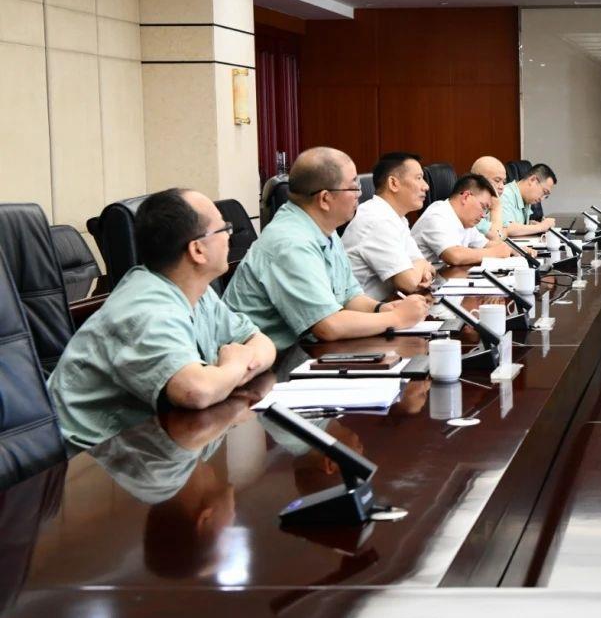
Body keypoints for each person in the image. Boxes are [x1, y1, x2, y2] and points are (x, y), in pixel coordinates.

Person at [48, 188, 277, 450]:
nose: (229, 236)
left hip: (148, 447)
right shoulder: (147, 309)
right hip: (87, 462)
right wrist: (234, 366)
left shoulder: (197, 291)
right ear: (197, 250)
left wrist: (226, 373)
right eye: (223, 229)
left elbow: (262, 343)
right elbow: (196, 391)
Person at [224, 147, 430, 350]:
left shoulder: (325, 229)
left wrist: (382, 308)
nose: (359, 194)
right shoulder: (291, 242)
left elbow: (349, 296)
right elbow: (327, 326)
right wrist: (397, 318)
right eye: (353, 187)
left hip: (306, 350)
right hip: (268, 362)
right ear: (324, 199)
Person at [341, 151, 435, 300]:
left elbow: (425, 265)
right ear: (393, 183)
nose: (426, 186)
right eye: (418, 178)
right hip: (363, 310)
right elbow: (409, 283)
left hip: (388, 304)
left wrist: (421, 266)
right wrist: (421, 266)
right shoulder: (377, 220)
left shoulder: (396, 217)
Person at [411, 174, 514, 266]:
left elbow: (486, 245)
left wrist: (514, 250)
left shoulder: (466, 221)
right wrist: (494, 253)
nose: (483, 215)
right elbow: (454, 256)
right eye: (483, 207)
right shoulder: (437, 215)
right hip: (424, 280)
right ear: (466, 197)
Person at [499, 163, 557, 236]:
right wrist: (541, 226)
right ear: (532, 180)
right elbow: (506, 228)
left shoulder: (525, 199)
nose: (542, 199)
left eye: (546, 196)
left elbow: (514, 223)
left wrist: (530, 225)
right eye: (544, 192)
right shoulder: (504, 194)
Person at [470, 155, 507, 240]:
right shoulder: (469, 205)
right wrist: (496, 208)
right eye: (497, 181)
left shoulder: (490, 201)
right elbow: (498, 237)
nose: (502, 187)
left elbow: (506, 229)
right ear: (479, 180)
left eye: (504, 182)